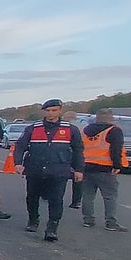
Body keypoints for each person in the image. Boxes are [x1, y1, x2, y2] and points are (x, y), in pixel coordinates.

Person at [13, 99, 84, 242]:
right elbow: (20, 145)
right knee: (32, 197)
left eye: (54, 110)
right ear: (44, 111)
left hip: (59, 170)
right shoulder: (33, 128)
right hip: (35, 169)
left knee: (56, 200)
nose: (51, 113)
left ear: (60, 110)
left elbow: (78, 151)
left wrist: (79, 169)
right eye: (48, 110)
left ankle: (52, 228)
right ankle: (33, 220)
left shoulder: (71, 129)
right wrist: (18, 163)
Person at [80, 108, 128, 232]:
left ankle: (88, 220)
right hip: (105, 168)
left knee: (87, 195)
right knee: (109, 196)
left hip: (86, 167)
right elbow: (115, 149)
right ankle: (110, 222)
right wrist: (117, 165)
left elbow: (80, 148)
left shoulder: (85, 130)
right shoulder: (114, 131)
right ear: (111, 117)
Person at [62, 111, 83, 209]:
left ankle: (55, 197)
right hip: (81, 156)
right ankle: (76, 201)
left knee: (60, 177)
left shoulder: (65, 127)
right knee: (77, 179)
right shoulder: (83, 126)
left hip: (65, 155)